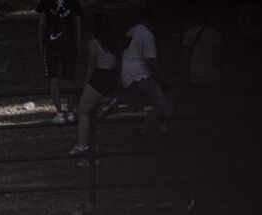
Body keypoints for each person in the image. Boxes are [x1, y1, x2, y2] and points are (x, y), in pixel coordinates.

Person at [121, 8, 173, 139]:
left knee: (161, 99)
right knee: (162, 103)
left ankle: (157, 128)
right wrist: (163, 78)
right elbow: (151, 61)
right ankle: (146, 130)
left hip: (128, 73)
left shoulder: (131, 31)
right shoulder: (147, 35)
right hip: (139, 75)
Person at [71, 14, 119, 153]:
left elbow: (91, 65)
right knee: (91, 111)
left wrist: (86, 83)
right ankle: (105, 101)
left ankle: (81, 143)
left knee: (82, 111)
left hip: (100, 76)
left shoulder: (93, 43)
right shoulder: (112, 43)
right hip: (111, 77)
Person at [37, 0, 83, 124]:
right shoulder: (73, 3)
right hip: (69, 45)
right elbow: (77, 25)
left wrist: (41, 43)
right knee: (69, 79)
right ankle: (71, 112)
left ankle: (59, 113)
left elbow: (42, 23)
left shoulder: (46, 2)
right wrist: (78, 45)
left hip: (52, 45)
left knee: (53, 79)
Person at [182, 8, 222, 118]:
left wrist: (187, 69)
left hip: (195, 70)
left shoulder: (189, 33)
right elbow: (217, 54)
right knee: (211, 96)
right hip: (212, 70)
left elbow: (186, 54)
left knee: (198, 96)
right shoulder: (215, 33)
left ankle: (200, 115)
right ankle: (211, 116)